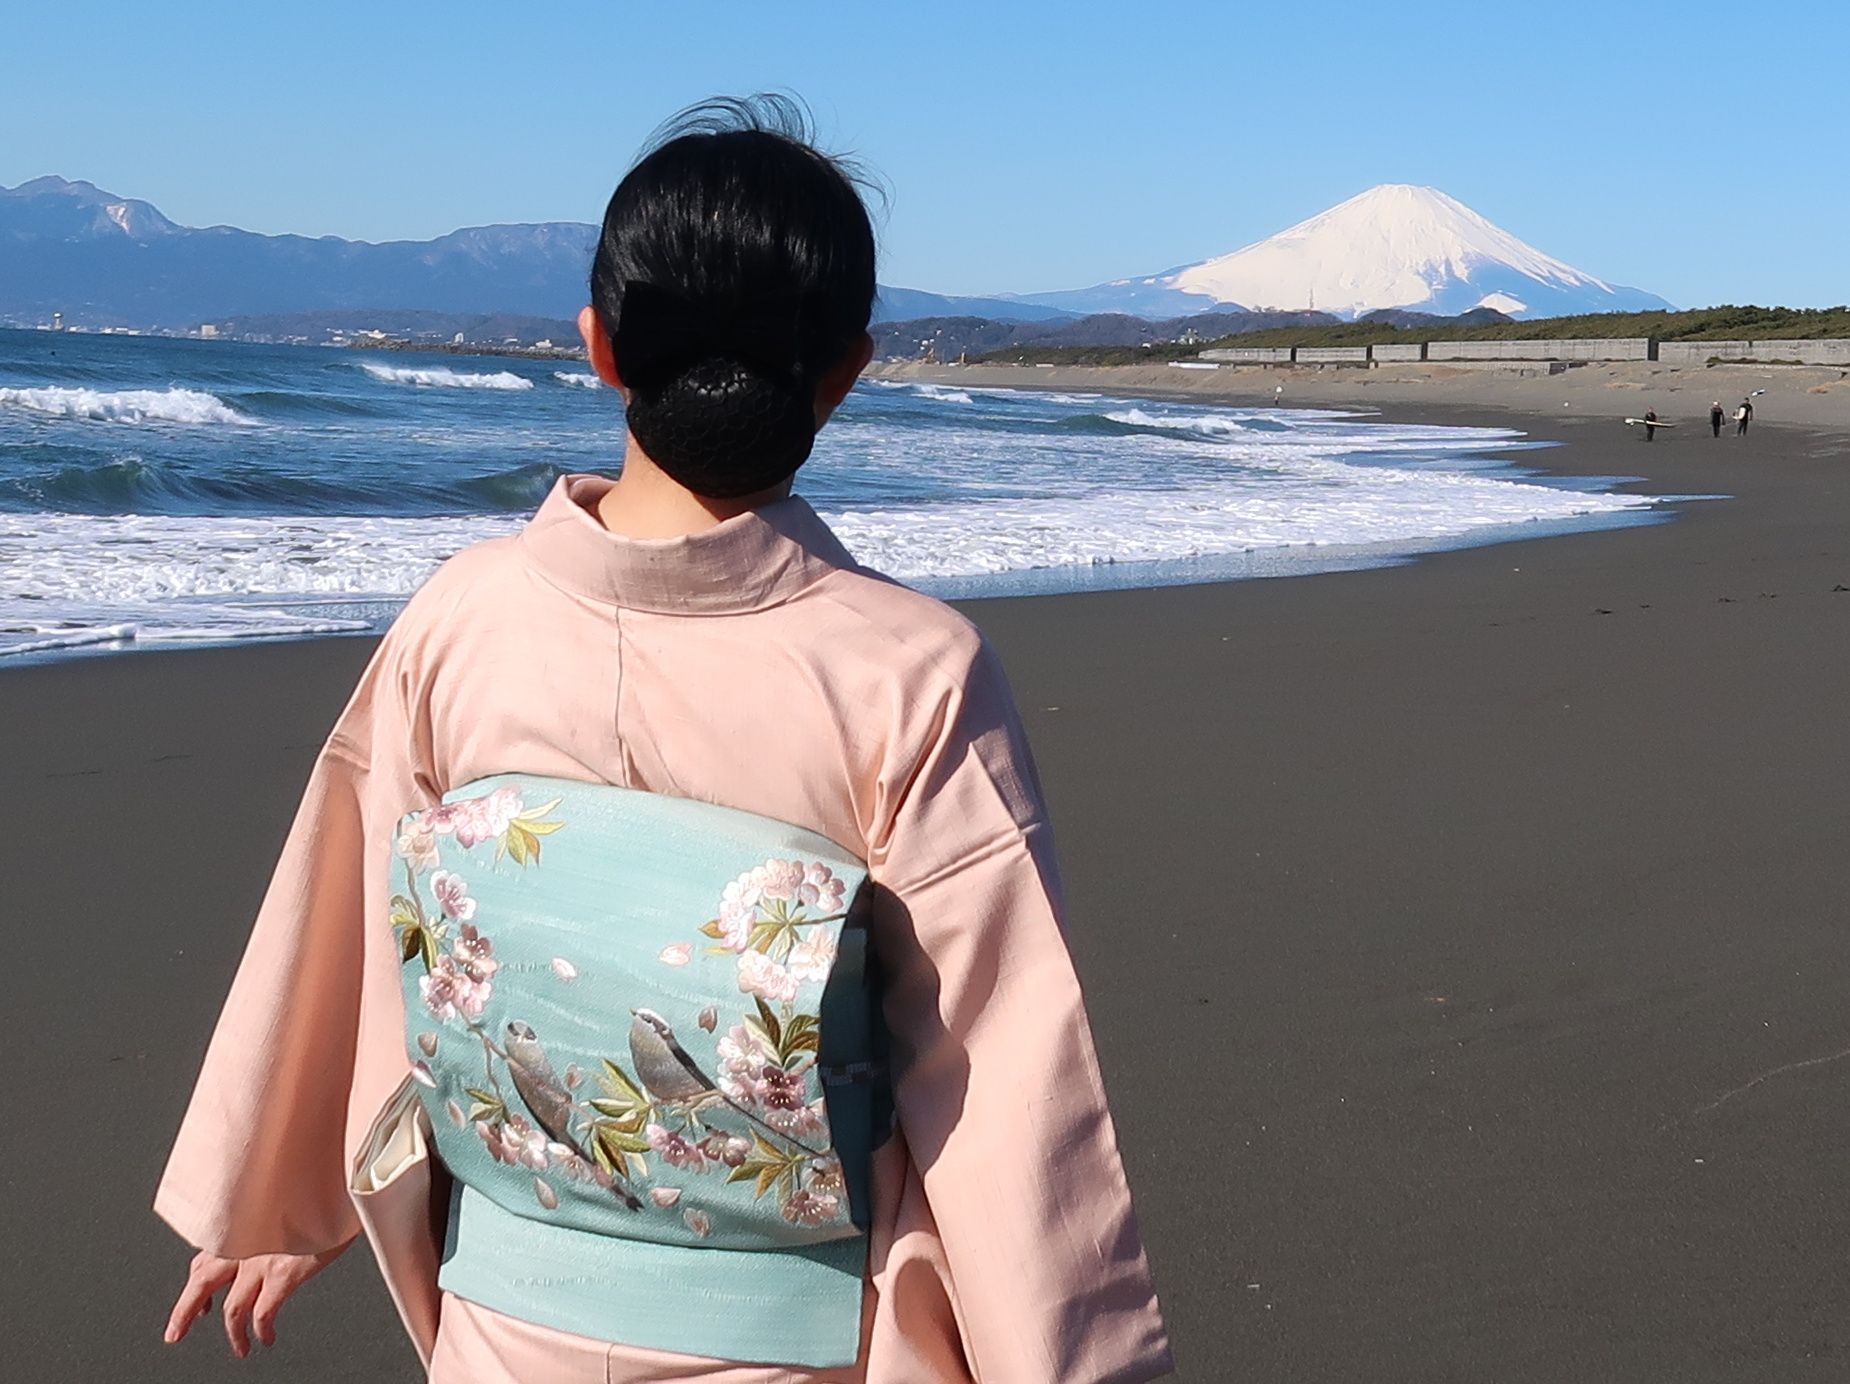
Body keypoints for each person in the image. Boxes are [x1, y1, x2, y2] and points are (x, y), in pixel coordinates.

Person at [153, 96, 1172, 1383]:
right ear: (847, 370)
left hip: (506, 1322)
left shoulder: (456, 621)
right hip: (803, 1339)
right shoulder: (910, 674)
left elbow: (362, 920)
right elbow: (996, 1074)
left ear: (596, 347)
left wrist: (273, 1197)